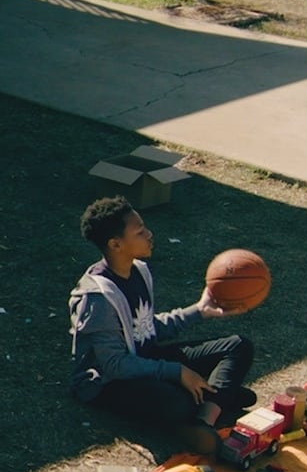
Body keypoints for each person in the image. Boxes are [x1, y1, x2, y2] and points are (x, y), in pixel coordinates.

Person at [68, 195, 256, 456]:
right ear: (115, 244)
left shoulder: (140, 271)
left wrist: (199, 311)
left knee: (238, 346)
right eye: (140, 232)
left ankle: (203, 420)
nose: (149, 234)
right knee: (176, 403)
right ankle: (210, 399)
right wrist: (176, 371)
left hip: (146, 358)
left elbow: (146, 328)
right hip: (109, 383)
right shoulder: (98, 298)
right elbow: (114, 365)